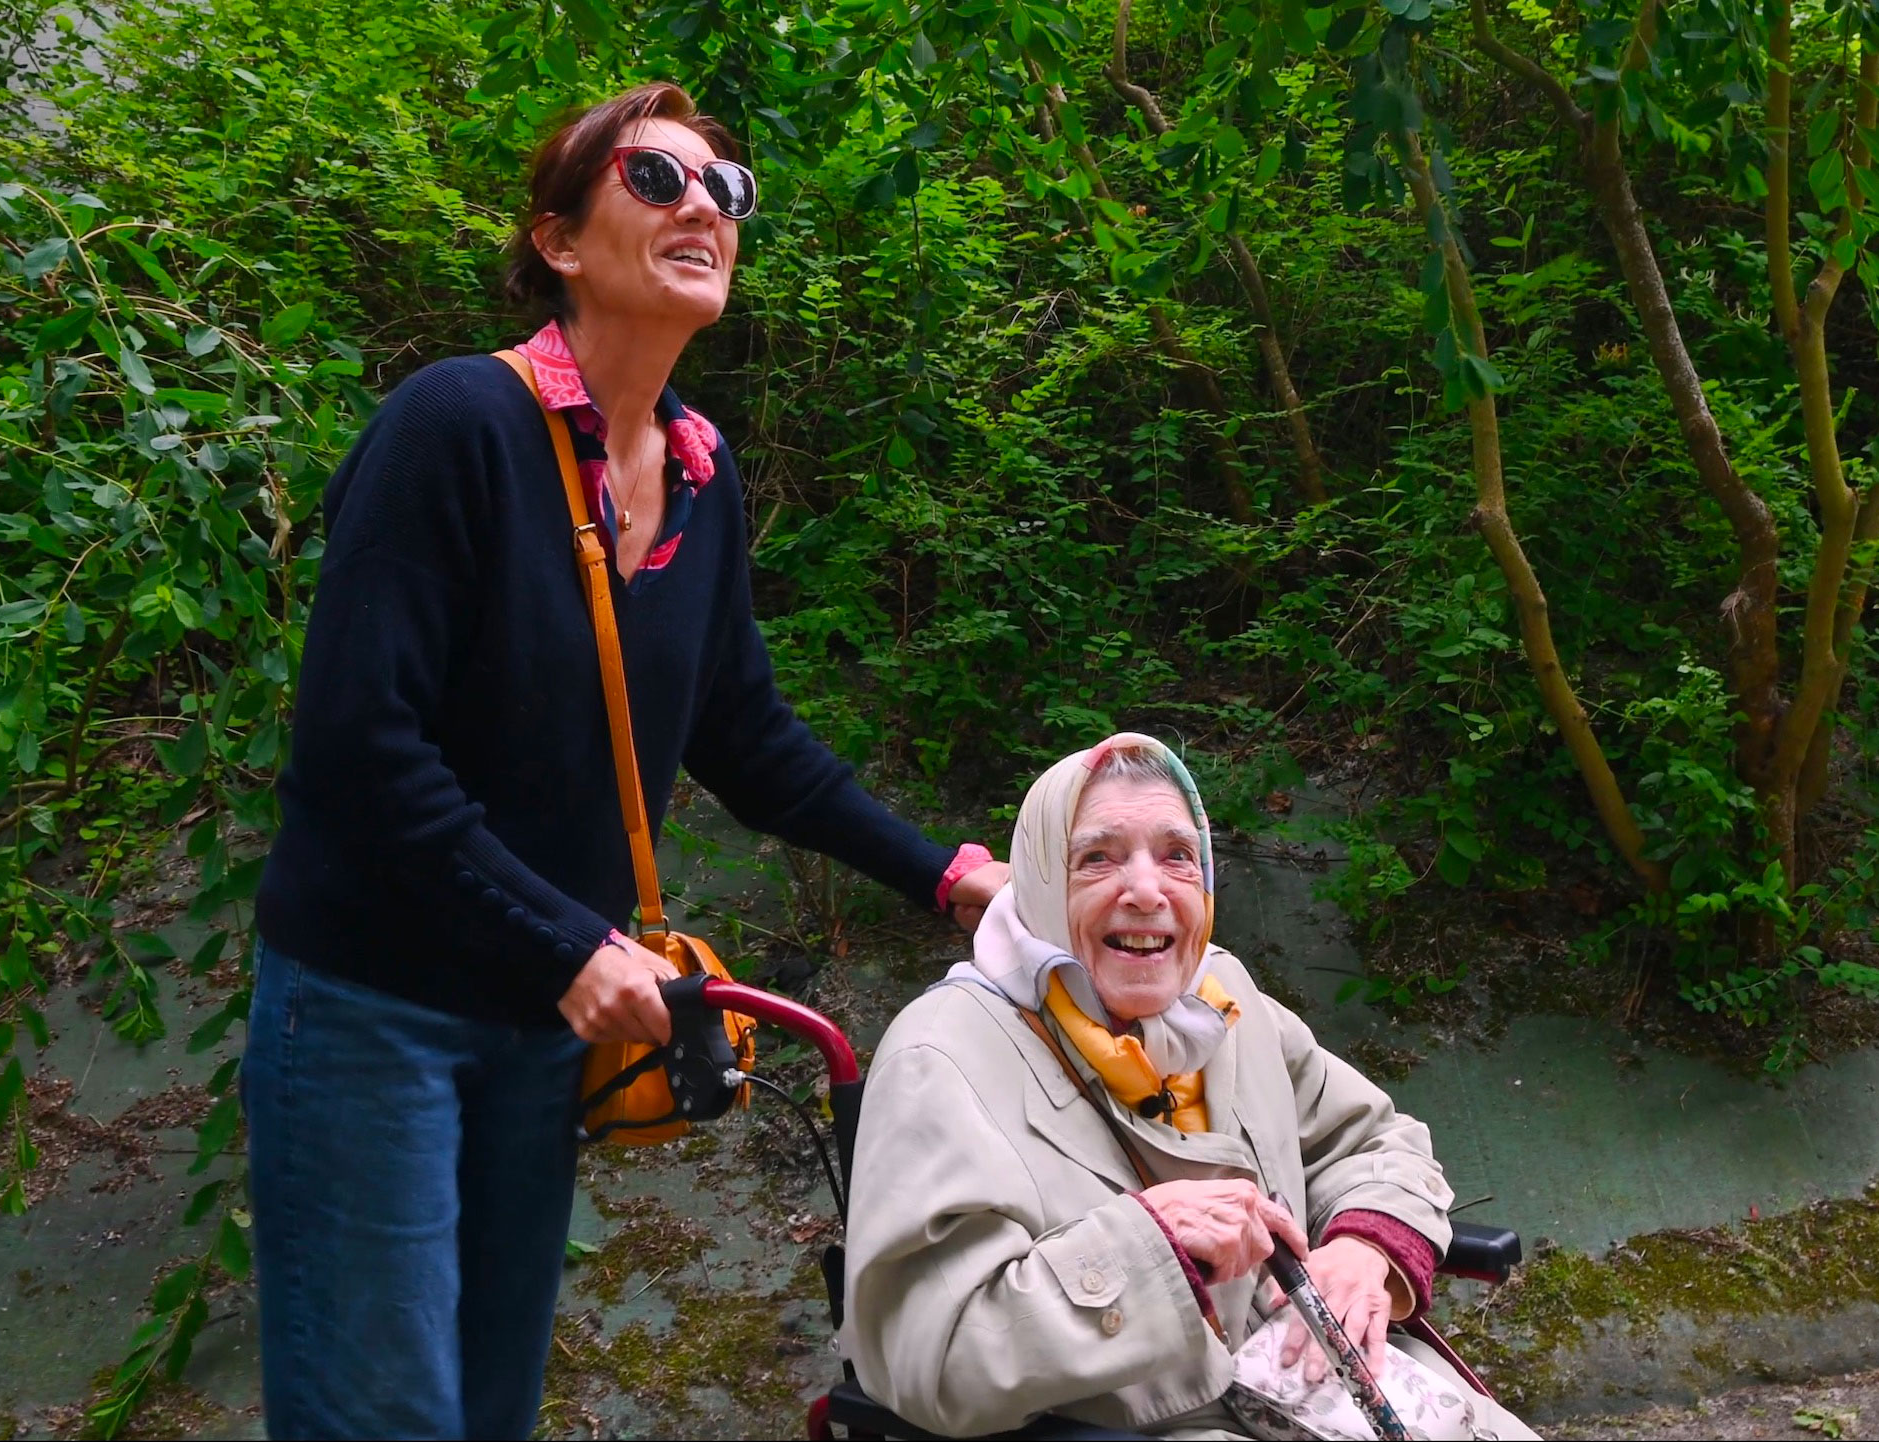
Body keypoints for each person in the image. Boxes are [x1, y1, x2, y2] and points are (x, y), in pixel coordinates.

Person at [241, 82, 1007, 1440]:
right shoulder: (456, 426)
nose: (703, 201)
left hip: (542, 1020)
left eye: (725, 187)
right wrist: (570, 944)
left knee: (492, 1405)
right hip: (375, 1009)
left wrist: (946, 876)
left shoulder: (701, 476)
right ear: (559, 241)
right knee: (381, 1412)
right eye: (655, 178)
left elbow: (744, 735)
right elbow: (360, 748)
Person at [843, 734, 1536, 1439]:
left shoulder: (1219, 994)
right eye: (1098, 857)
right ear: (1042, 879)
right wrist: (1153, 1240)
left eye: (1176, 855)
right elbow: (931, 1361)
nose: (1147, 892)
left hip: (1333, 1388)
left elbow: (1370, 1140)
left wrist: (1366, 1248)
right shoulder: (942, 1055)